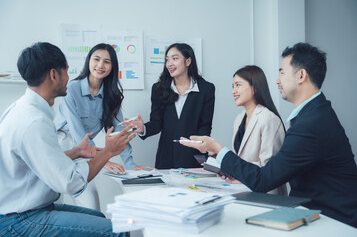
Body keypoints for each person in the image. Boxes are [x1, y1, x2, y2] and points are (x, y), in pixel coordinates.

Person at [181, 43, 357, 229]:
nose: (277, 80)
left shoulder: (311, 123)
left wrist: (217, 148)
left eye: (282, 72)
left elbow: (264, 179)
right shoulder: (313, 113)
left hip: (336, 219)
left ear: (301, 76)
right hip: (313, 212)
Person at [0, 42, 135, 236]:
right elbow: (71, 182)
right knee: (117, 230)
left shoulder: (24, 109)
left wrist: (76, 152)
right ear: (54, 75)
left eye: (106, 61)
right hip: (20, 219)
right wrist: (107, 153)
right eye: (66, 72)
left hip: (29, 207)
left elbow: (38, 160)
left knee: (99, 218)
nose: (69, 78)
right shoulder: (34, 121)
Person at [54, 43, 153, 210]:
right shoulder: (72, 89)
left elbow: (120, 131)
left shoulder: (111, 95)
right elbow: (77, 131)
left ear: (112, 67)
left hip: (85, 149)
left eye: (107, 61)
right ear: (89, 61)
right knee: (53, 204)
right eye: (96, 59)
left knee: (92, 208)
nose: (100, 65)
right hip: (61, 146)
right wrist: (101, 159)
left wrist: (130, 164)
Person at [124, 43, 215, 169]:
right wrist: (143, 127)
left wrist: (202, 145)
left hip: (193, 157)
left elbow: (205, 125)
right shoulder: (158, 89)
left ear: (188, 61)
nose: (169, 63)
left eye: (175, 58)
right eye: (167, 60)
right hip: (166, 156)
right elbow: (157, 123)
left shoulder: (206, 89)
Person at [229, 65, 287, 195]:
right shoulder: (239, 119)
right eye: (233, 86)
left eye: (238, 85)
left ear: (254, 87)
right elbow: (238, 161)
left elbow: (269, 169)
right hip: (243, 190)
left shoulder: (268, 119)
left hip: (267, 195)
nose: (234, 91)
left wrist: (239, 172)